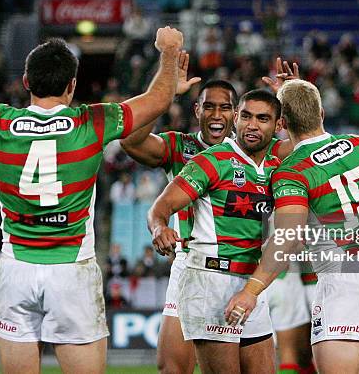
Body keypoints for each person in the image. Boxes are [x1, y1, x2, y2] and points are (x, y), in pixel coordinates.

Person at [0, 23, 183, 374]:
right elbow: (158, 100)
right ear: (72, 86)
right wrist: (168, 52)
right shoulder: (92, 123)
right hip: (72, 269)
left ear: (26, 82)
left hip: (16, 268)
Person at [225, 79, 359, 374]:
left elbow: (288, 237)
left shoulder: (293, 172)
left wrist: (251, 290)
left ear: (282, 123)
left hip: (345, 279)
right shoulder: (358, 145)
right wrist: (349, 141)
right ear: (322, 114)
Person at [120, 57, 297, 374]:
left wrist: (292, 99)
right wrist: (163, 97)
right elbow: (131, 140)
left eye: (226, 108)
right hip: (194, 263)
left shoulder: (262, 151)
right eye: (209, 107)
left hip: (248, 267)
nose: (217, 114)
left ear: (235, 114)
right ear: (197, 111)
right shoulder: (181, 146)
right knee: (173, 367)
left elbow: (309, 147)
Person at [148, 90, 285, 374]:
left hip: (252, 283)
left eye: (262, 118)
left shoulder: (278, 163)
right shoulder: (211, 160)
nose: (252, 125)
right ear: (236, 118)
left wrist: (292, 93)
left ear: (278, 125)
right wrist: (160, 227)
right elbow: (160, 208)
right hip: (211, 281)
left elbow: (312, 141)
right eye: (246, 116)